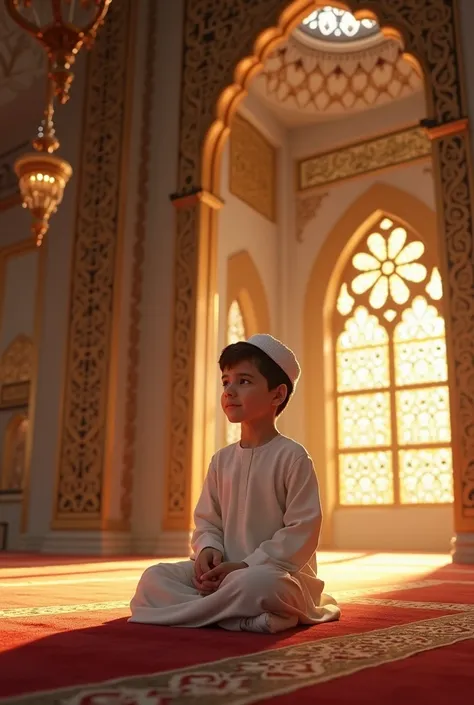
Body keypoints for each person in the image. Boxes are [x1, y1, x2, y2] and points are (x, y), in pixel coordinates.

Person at [129, 333, 340, 633]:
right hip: (222, 577)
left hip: (275, 575)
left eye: (244, 381)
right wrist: (207, 551)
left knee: (262, 586)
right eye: (226, 381)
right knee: (154, 578)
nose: (229, 390)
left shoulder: (293, 457)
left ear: (277, 395)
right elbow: (207, 522)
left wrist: (245, 567)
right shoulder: (221, 460)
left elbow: (301, 531)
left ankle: (203, 612)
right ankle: (240, 619)